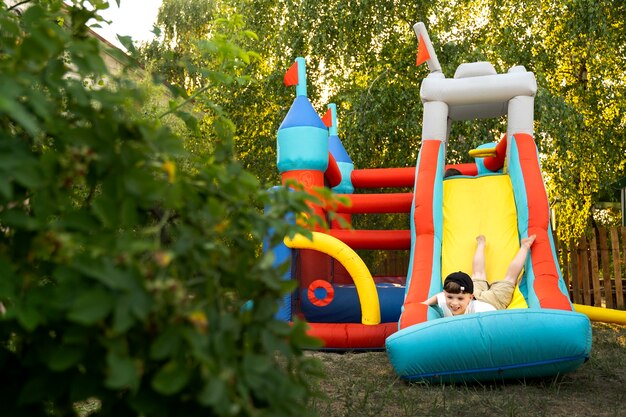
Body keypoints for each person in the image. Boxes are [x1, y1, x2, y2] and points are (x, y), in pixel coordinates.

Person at [421, 234, 537, 316]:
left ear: (469, 297)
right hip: (475, 293)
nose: (454, 303)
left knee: (510, 278)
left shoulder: (481, 311)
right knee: (477, 274)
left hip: (492, 302)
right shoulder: (451, 298)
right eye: (450, 297)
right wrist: (424, 304)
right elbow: (438, 297)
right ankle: (481, 244)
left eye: (460, 299)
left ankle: (525, 246)